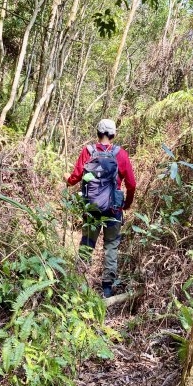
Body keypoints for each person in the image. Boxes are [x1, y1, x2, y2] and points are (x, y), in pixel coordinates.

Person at [63, 119, 136, 297]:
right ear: (113, 135)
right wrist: (126, 205)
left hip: (92, 208)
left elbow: (75, 178)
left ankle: (79, 283)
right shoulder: (121, 154)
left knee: (87, 243)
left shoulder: (88, 151)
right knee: (111, 245)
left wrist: (67, 178)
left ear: (97, 133)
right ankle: (107, 288)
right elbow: (132, 184)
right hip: (113, 209)